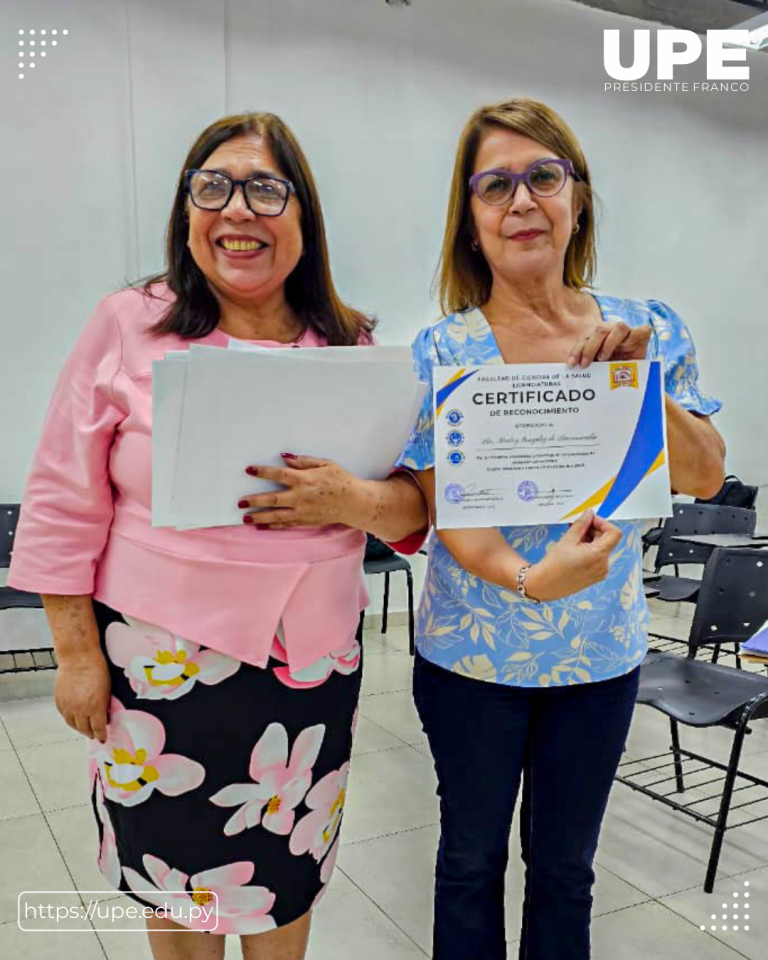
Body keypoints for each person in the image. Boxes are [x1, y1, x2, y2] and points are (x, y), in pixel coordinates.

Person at [7, 112, 427, 960]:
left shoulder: (350, 345)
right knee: (182, 882)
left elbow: (409, 508)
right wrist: (77, 655)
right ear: (185, 213)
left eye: (266, 189)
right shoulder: (130, 322)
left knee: (286, 872)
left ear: (304, 219)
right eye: (213, 187)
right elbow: (61, 496)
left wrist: (352, 497)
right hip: (158, 672)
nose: (238, 210)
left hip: (306, 670)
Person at [397, 98, 726, 960]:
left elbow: (704, 474)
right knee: (469, 863)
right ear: (470, 220)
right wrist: (525, 579)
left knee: (566, 872)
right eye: (494, 185)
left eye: (544, 176)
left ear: (577, 198)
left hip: (600, 656)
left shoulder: (643, 328)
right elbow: (450, 512)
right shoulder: (441, 352)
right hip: (472, 660)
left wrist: (645, 385)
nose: (522, 201)